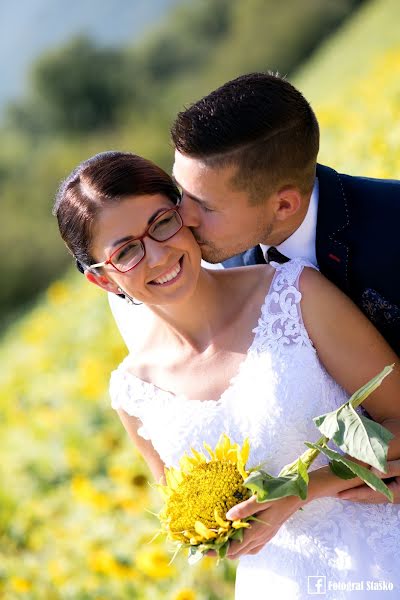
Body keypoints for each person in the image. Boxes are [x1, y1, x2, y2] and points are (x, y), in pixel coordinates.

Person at [54, 151, 400, 599]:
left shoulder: (295, 293)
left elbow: (398, 419)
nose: (158, 255)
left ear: (184, 213)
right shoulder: (134, 394)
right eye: (126, 251)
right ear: (104, 280)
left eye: (161, 222)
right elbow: (198, 523)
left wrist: (305, 490)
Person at [110, 72, 400, 504]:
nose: (182, 220)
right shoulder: (222, 265)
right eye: (180, 193)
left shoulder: (392, 225)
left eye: (204, 206)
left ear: (284, 205)